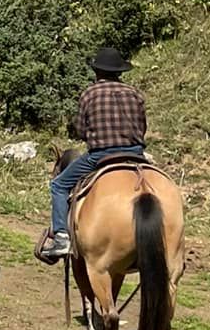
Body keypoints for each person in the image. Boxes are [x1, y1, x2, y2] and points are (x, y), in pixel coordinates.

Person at [36, 46, 147, 263]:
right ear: (119, 72)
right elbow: (143, 126)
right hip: (136, 154)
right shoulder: (135, 94)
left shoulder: (89, 94)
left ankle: (61, 236)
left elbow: (80, 129)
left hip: (101, 156)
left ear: (97, 72)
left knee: (58, 185)